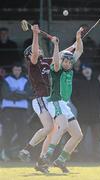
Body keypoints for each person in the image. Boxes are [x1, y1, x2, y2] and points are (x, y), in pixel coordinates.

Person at [42, 28, 83, 173]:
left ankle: (60, 160)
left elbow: (79, 51)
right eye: (65, 60)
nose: (67, 63)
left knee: (78, 135)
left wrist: (78, 37)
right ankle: (46, 157)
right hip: (55, 102)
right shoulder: (56, 69)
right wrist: (57, 46)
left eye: (69, 61)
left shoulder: (69, 68)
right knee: (63, 126)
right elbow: (56, 60)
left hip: (64, 104)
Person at [18, 25, 54, 173]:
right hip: (40, 99)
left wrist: (76, 43)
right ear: (30, 55)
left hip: (48, 100)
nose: (39, 50)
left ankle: (40, 162)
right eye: (35, 49)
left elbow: (63, 56)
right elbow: (34, 51)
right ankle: (26, 150)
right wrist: (35, 34)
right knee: (48, 128)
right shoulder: (32, 64)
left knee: (52, 131)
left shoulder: (45, 61)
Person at [1, 63, 32, 160]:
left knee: (22, 132)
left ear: (21, 71)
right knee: (7, 131)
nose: (17, 72)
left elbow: (28, 94)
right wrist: (20, 94)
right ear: (12, 70)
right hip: (8, 109)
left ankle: (22, 155)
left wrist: (13, 93)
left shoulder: (25, 80)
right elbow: (5, 94)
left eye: (19, 70)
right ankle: (5, 154)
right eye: (15, 70)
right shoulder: (6, 79)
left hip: (21, 109)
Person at [72, 64, 100, 160]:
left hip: (95, 114)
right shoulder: (78, 82)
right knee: (81, 136)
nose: (87, 71)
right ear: (82, 71)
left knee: (97, 136)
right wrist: (80, 107)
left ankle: (96, 156)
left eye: (88, 69)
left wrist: (98, 108)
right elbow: (73, 97)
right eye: (85, 69)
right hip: (83, 114)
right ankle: (81, 156)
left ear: (91, 70)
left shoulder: (96, 82)